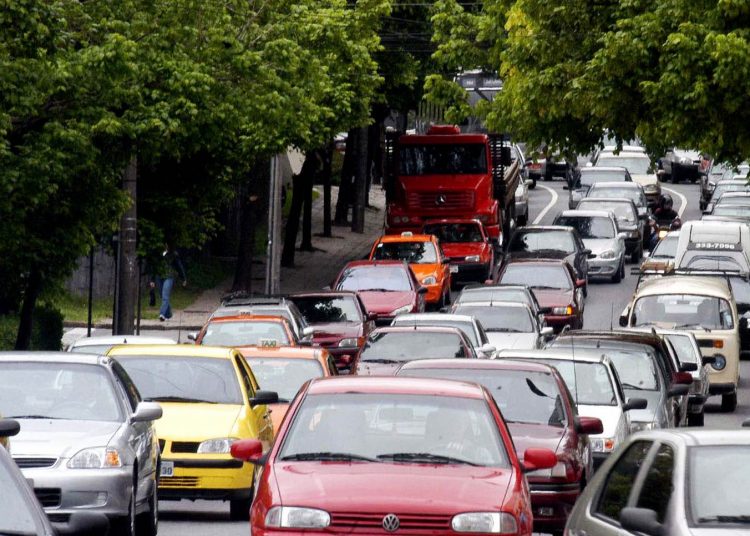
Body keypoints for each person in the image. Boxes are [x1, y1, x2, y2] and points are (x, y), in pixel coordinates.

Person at [149, 244, 187, 321]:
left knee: (165, 295)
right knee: (162, 296)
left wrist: (183, 278)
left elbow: (179, 266)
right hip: (159, 276)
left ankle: (162, 314)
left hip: (169, 276)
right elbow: (154, 267)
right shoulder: (157, 254)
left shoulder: (173, 254)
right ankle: (168, 314)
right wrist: (152, 280)